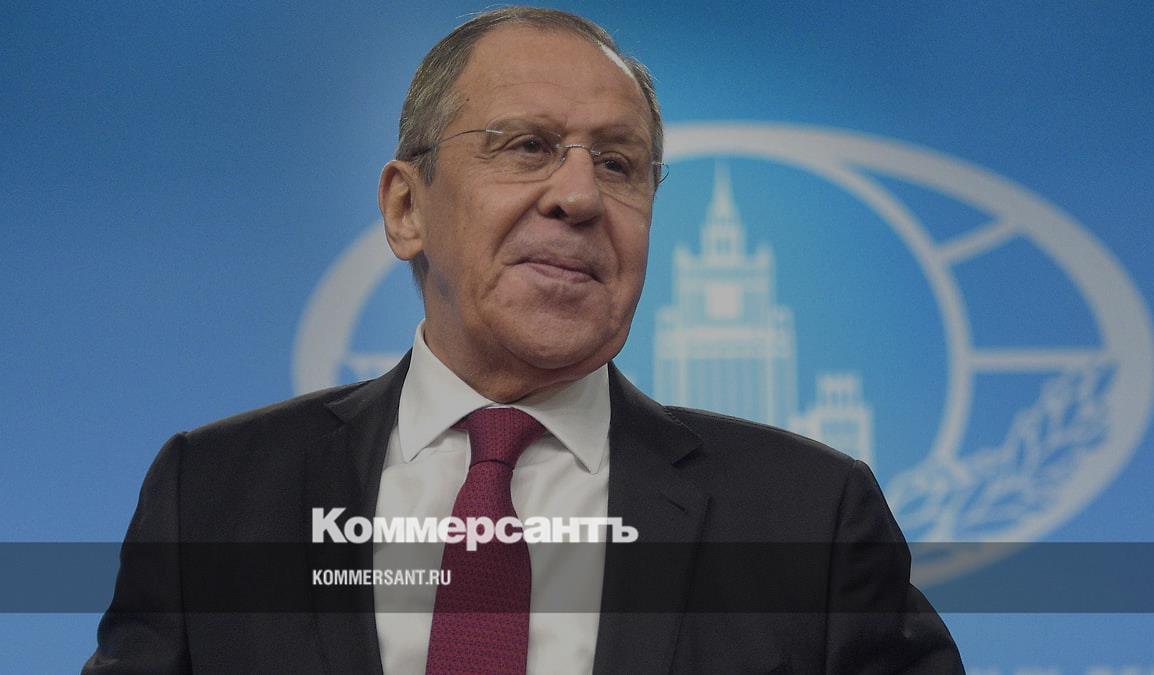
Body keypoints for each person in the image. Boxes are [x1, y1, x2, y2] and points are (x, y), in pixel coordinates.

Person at [85, 7, 963, 674]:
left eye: (617, 164)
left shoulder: (811, 517)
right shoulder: (212, 495)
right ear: (406, 207)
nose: (578, 196)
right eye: (527, 147)